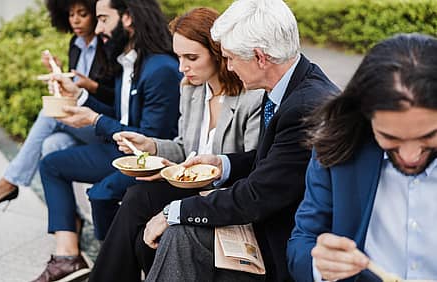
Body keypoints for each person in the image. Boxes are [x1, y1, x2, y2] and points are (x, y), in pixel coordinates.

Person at [142, 0, 339, 281]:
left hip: (284, 244)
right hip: (271, 217)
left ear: (260, 57)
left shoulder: (304, 106)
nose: (229, 67)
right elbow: (274, 160)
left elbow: (259, 195)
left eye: (232, 58)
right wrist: (223, 165)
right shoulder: (296, 83)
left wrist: (174, 211)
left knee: (180, 232)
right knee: (174, 227)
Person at [88, 7, 264, 281]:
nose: (182, 67)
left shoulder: (250, 98)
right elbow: (184, 147)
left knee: (139, 212)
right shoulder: (191, 89)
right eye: (179, 57)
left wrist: (202, 174)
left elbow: (253, 167)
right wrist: (150, 145)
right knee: (137, 203)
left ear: (218, 53)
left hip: (221, 198)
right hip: (189, 188)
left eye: (191, 58)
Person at [30, 0, 181, 281]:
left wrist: (95, 120)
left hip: (147, 160)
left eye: (102, 19)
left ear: (128, 18)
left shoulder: (160, 68)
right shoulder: (130, 61)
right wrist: (80, 97)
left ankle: (115, 263)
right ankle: (68, 256)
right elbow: (121, 114)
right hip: (120, 150)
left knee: (100, 194)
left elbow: (150, 139)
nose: (97, 29)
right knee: (51, 164)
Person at [287, 33, 437, 282]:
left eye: (429, 136)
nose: (411, 157)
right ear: (366, 117)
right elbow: (303, 241)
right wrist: (320, 264)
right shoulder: (338, 147)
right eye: (391, 138)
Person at [0, 0, 115, 210]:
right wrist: (59, 70)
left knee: (50, 112)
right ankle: (72, 219)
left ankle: (9, 183)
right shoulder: (75, 45)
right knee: (51, 146)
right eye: (71, 15)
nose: (76, 20)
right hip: (78, 121)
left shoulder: (107, 46)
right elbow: (73, 88)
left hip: (103, 124)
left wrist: (93, 86)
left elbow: (116, 98)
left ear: (95, 15)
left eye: (82, 14)